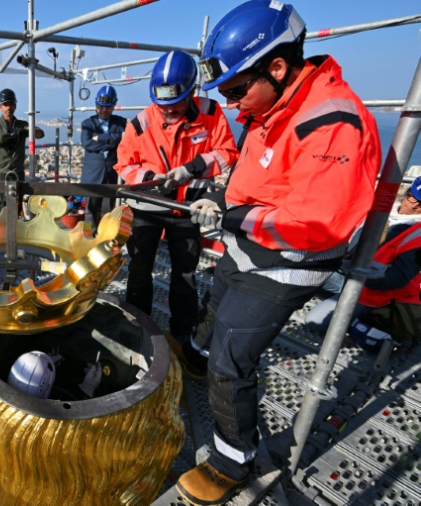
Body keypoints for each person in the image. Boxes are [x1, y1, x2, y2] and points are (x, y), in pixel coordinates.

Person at [176, 2, 382, 504]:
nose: (231, 104)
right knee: (212, 310)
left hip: (292, 261)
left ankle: (232, 461)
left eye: (235, 89)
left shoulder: (332, 121)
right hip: (249, 245)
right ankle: (195, 363)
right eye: (224, 94)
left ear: (277, 66)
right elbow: (262, 178)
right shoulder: (270, 107)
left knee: (232, 354)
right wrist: (221, 200)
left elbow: (317, 224)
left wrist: (233, 218)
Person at [114, 50, 238, 343]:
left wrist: (192, 169)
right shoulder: (142, 123)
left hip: (185, 208)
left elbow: (227, 153)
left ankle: (183, 334)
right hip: (148, 206)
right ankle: (137, 324)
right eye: (162, 105)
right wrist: (150, 180)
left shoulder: (210, 113)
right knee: (140, 269)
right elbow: (123, 163)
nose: (167, 111)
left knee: (184, 274)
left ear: (192, 92)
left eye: (175, 104)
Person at [305, 178, 421, 348]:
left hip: (374, 294)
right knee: (306, 266)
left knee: (313, 322)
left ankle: (360, 316)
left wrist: (356, 272)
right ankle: (345, 305)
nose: (413, 206)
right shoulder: (382, 209)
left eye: (420, 204)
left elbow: (396, 279)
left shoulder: (417, 236)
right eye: (412, 198)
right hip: (349, 273)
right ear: (407, 193)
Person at [0, 88, 45, 209]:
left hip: (17, 172)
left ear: (15, 106)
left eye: (11, 104)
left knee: (17, 206)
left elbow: (40, 134)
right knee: (0, 206)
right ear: (0, 107)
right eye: (5, 104)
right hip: (0, 173)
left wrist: (28, 131)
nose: (8, 107)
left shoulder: (21, 125)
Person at [80, 85, 128, 234]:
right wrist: (112, 142)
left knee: (109, 209)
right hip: (93, 174)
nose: (104, 110)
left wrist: (100, 138)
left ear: (113, 106)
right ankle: (88, 236)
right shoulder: (88, 124)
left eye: (108, 107)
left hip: (111, 173)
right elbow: (87, 143)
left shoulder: (120, 122)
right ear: (96, 106)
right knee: (90, 210)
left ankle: (106, 236)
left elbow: (125, 139)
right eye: (101, 107)